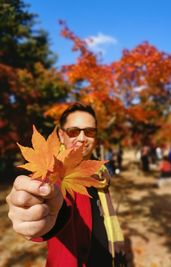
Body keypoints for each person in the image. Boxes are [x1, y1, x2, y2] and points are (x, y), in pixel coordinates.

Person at [6, 102, 127, 267]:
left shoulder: (99, 172)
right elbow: (54, 203)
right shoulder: (53, 172)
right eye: (74, 131)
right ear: (62, 135)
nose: (82, 138)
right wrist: (35, 214)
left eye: (90, 131)